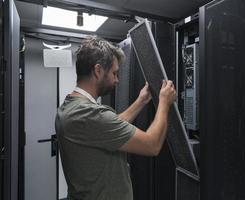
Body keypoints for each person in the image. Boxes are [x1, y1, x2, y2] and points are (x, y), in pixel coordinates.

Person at [55, 36, 176, 200]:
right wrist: (164, 103)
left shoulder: (71, 106)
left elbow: (109, 127)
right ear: (98, 71)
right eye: (114, 73)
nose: (117, 79)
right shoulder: (88, 114)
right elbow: (152, 145)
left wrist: (141, 101)